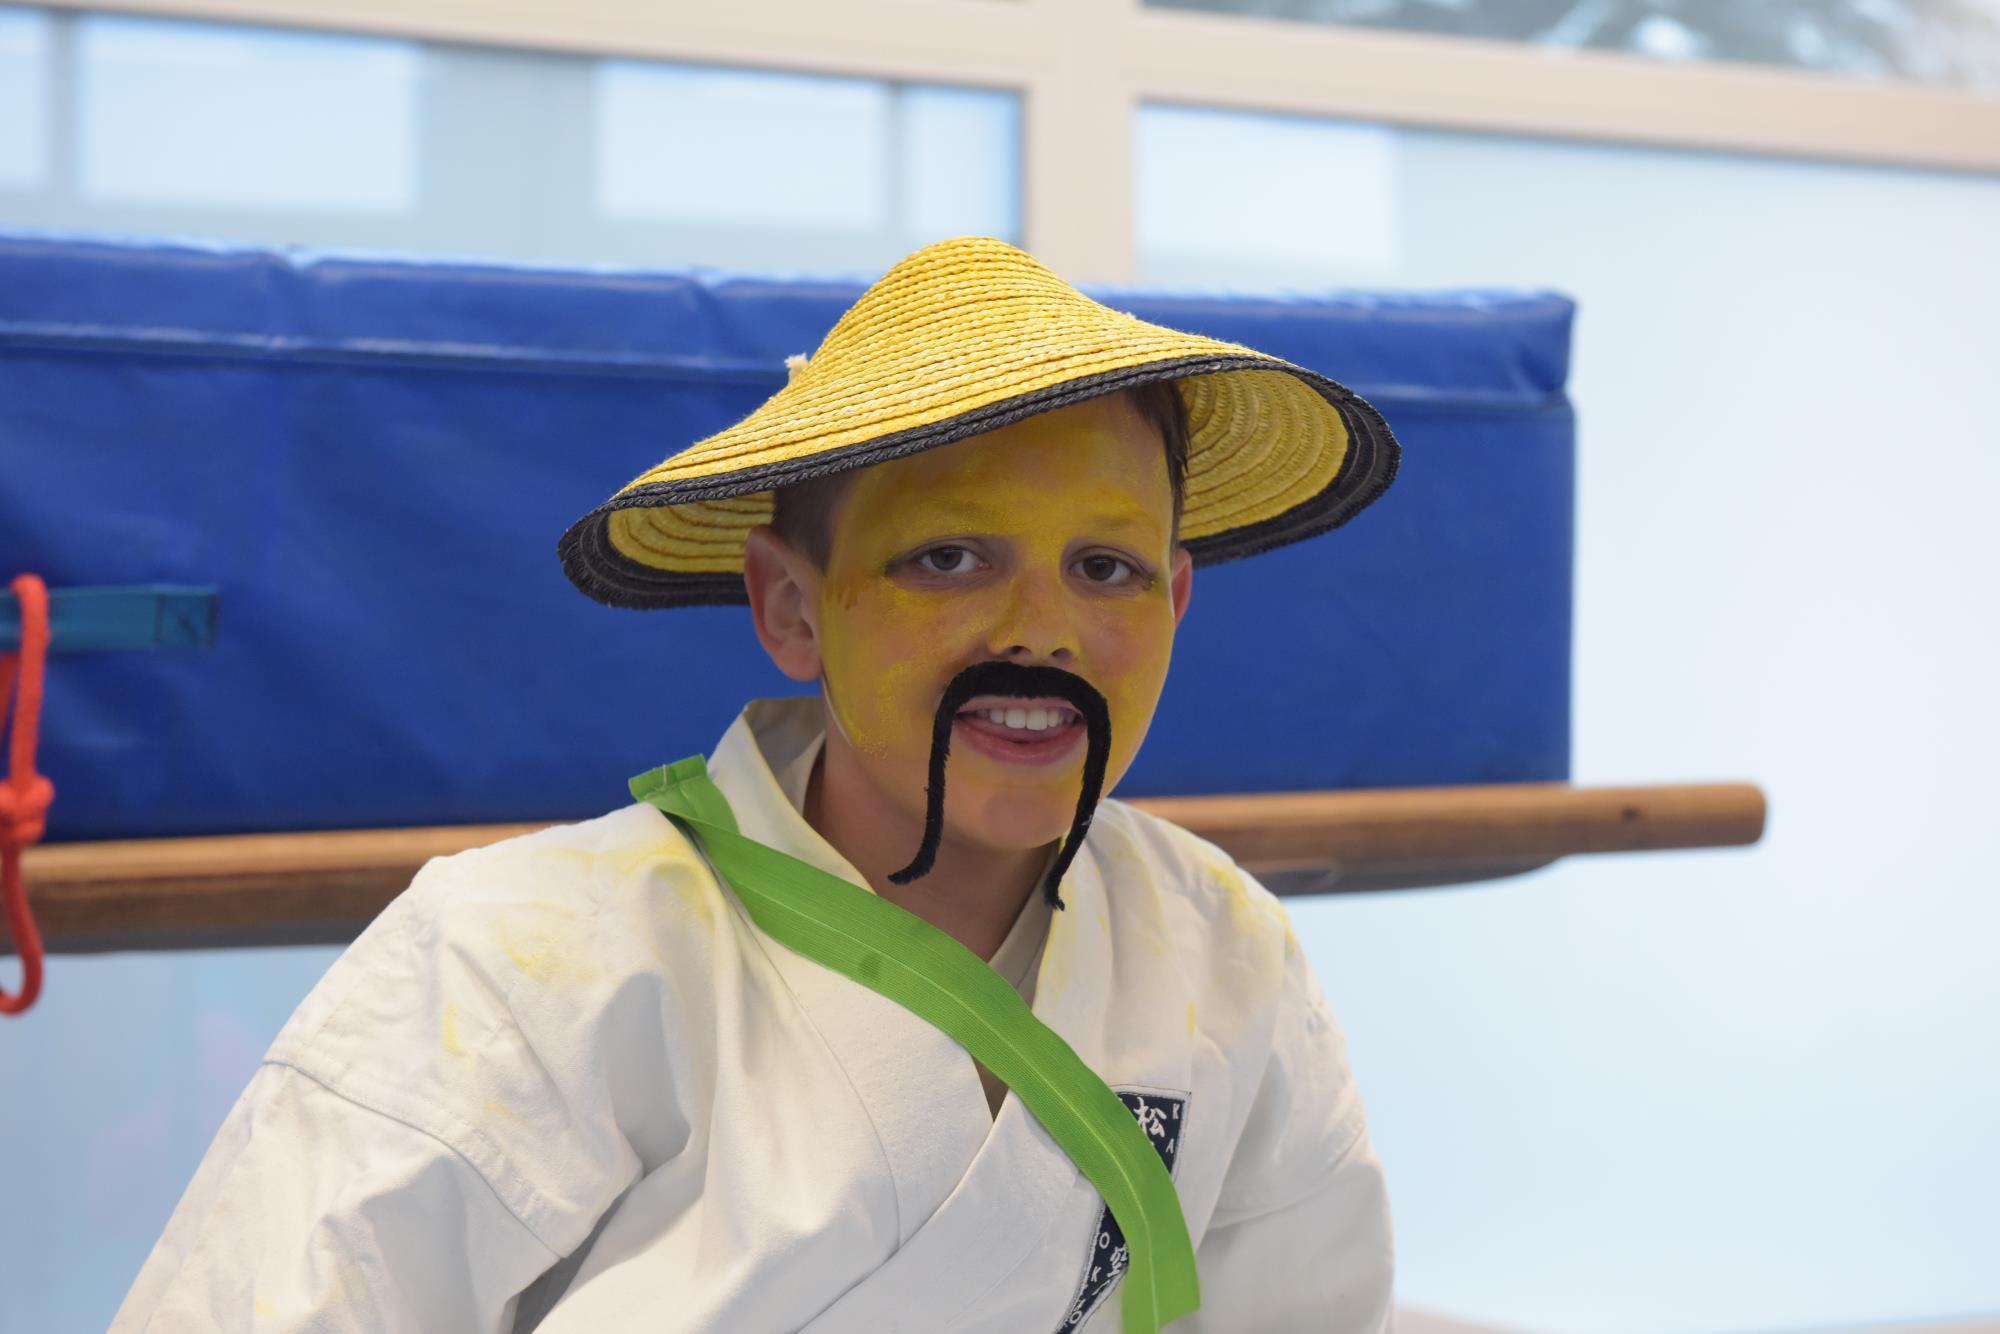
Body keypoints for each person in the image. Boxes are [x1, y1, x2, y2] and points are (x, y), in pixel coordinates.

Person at [112, 236, 1402, 1332]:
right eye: (949, 559)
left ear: (1175, 603)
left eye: (1106, 570)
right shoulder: (518, 960)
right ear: (790, 606)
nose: (1041, 632)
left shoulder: (1220, 947)